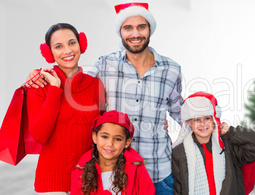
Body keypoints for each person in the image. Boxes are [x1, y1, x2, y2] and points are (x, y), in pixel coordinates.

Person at [27, 3, 182, 194]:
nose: (135, 34)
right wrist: (39, 74)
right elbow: (75, 81)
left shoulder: (172, 69)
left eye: (141, 27)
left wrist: (213, 125)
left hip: (159, 172)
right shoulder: (105, 65)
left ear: (150, 29)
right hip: (117, 175)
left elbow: (181, 112)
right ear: (120, 32)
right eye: (128, 28)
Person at [26, 23, 106, 194]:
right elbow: (40, 135)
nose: (67, 50)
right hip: (52, 183)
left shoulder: (96, 85)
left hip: (88, 180)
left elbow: (102, 131)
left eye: (72, 43)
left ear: (81, 44)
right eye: (58, 46)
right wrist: (55, 89)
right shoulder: (39, 86)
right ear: (49, 52)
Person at [171, 92, 255, 195]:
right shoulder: (179, 152)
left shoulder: (229, 146)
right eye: (197, 119)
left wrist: (231, 131)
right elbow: (178, 190)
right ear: (189, 122)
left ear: (214, 120)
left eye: (207, 118)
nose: (203, 124)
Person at [70, 110, 155, 195]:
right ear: (95, 137)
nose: (110, 144)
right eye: (105, 137)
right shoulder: (80, 173)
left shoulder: (137, 170)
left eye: (117, 139)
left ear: (127, 142)